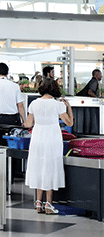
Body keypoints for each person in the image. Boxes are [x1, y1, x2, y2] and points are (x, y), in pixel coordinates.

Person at [24, 78, 73, 215]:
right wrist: (68, 107)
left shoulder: (34, 104)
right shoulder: (58, 105)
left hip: (37, 137)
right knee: (50, 168)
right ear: (54, 88)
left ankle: (38, 202)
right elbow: (69, 123)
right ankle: (49, 204)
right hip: (52, 138)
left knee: (39, 167)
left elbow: (28, 124)